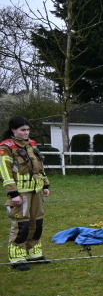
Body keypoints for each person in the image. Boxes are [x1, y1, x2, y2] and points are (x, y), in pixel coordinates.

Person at [1, 116, 51, 271]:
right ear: (13, 130)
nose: (26, 133)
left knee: (37, 222)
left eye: (28, 130)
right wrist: (13, 193)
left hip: (36, 191)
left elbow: (38, 168)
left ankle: (34, 253)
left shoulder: (32, 145)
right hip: (20, 193)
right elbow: (5, 171)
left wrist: (45, 185)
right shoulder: (6, 147)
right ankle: (17, 257)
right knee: (21, 224)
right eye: (23, 130)